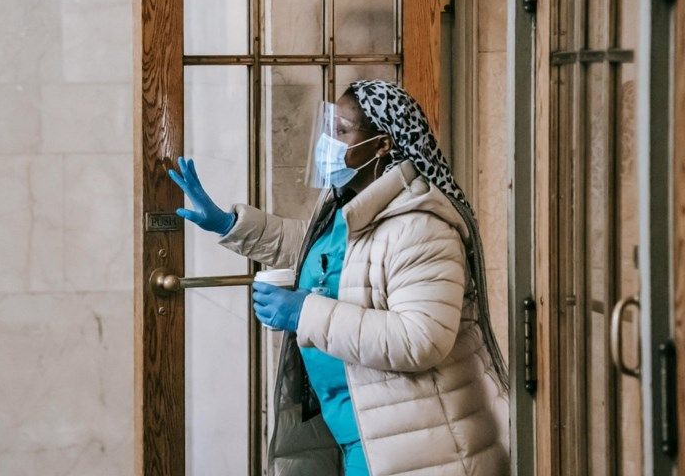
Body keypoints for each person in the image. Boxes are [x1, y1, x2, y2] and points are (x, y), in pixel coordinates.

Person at [169, 80, 510, 476]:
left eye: (342, 131)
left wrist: (305, 314)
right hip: (363, 437)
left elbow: (421, 339)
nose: (327, 143)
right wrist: (229, 224)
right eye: (328, 129)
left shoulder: (421, 226)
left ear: (382, 145)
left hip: (425, 451)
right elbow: (323, 255)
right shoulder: (348, 206)